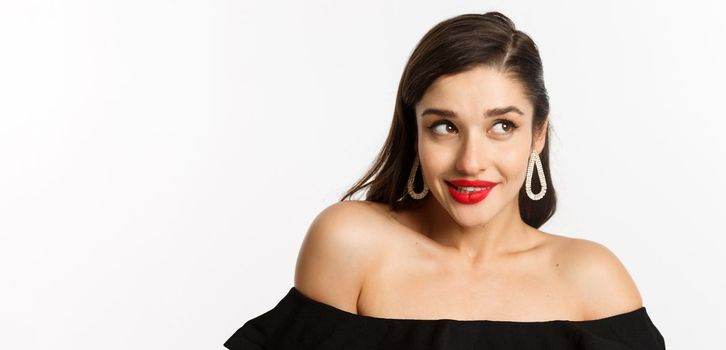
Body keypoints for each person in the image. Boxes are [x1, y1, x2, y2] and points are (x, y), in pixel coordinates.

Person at [224, 11, 665, 349]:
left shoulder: (592, 279)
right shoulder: (350, 244)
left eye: (502, 126)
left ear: (538, 134)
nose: (471, 162)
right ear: (413, 131)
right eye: (444, 127)